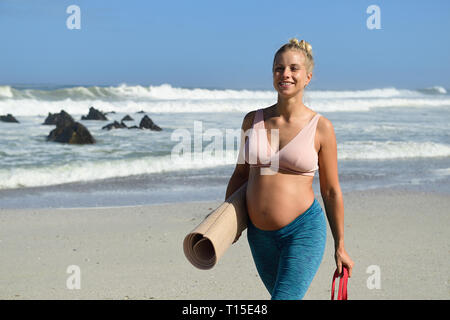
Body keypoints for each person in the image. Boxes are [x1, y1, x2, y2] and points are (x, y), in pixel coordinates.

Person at [225, 38, 354, 300]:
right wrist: (228, 222)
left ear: (307, 77)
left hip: (303, 231)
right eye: (278, 68)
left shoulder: (321, 127)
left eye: (293, 69)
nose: (285, 74)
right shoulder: (253, 120)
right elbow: (241, 174)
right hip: (259, 236)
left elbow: (330, 191)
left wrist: (340, 245)